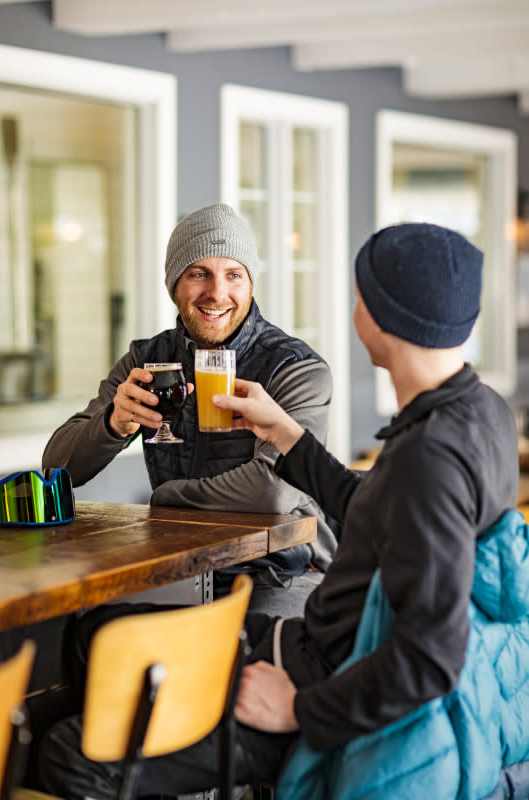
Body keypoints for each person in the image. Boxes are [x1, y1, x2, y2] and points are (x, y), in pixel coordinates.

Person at [39, 222, 528, 800]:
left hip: (323, 672)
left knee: (70, 750)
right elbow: (372, 508)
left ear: (377, 314)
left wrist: (297, 707)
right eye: (198, 273)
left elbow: (428, 661)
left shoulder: (428, 456)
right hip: (326, 646)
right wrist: (291, 439)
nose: (216, 289)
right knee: (97, 633)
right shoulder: (480, 412)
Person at [42, 202, 337, 615]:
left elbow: (272, 492)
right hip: (177, 572)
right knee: (88, 630)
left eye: (233, 275)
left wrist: (165, 498)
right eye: (199, 273)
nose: (217, 293)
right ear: (174, 284)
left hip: (278, 573)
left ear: (250, 283)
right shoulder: (147, 361)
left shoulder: (295, 368)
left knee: (233, 656)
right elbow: (58, 468)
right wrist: (113, 423)